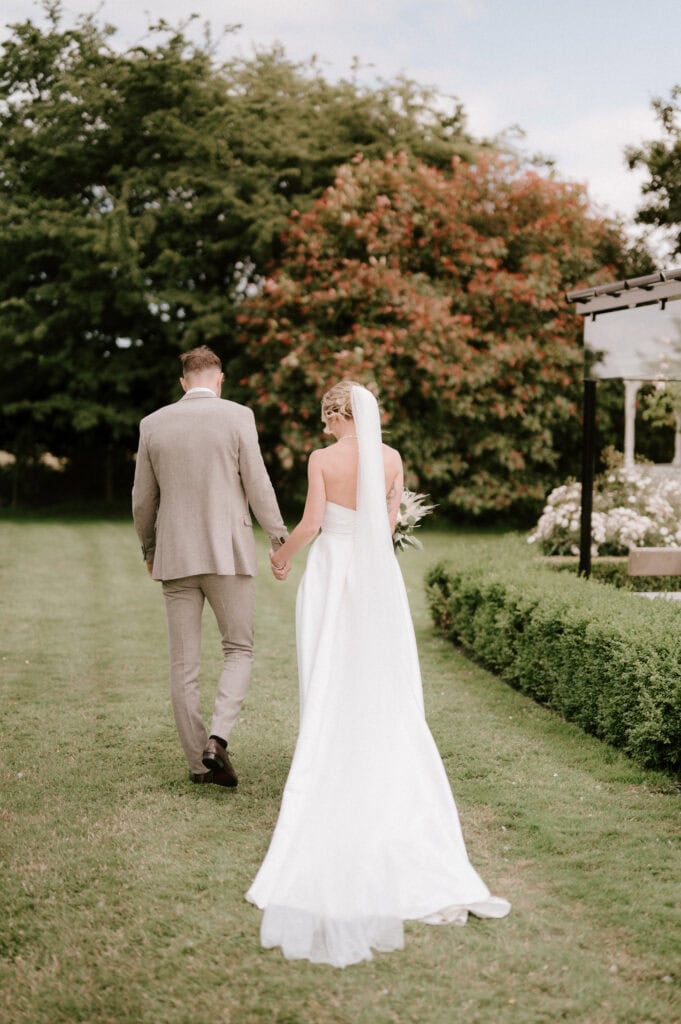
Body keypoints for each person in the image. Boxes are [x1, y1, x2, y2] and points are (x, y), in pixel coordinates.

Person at [246, 380, 510, 967]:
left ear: (338, 415)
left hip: (334, 571)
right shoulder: (390, 458)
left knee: (327, 665)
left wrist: (282, 555)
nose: (324, 428)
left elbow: (312, 524)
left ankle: (329, 750)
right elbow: (387, 528)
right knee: (380, 672)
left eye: (326, 418)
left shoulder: (323, 459)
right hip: (378, 578)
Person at [132, 345, 288, 788]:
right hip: (229, 553)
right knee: (238, 649)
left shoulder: (152, 423)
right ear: (219, 379)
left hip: (176, 556)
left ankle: (200, 766)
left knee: (183, 664)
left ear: (183, 382)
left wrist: (149, 549)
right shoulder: (238, 416)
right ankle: (217, 740)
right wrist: (278, 538)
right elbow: (257, 483)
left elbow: (142, 498)